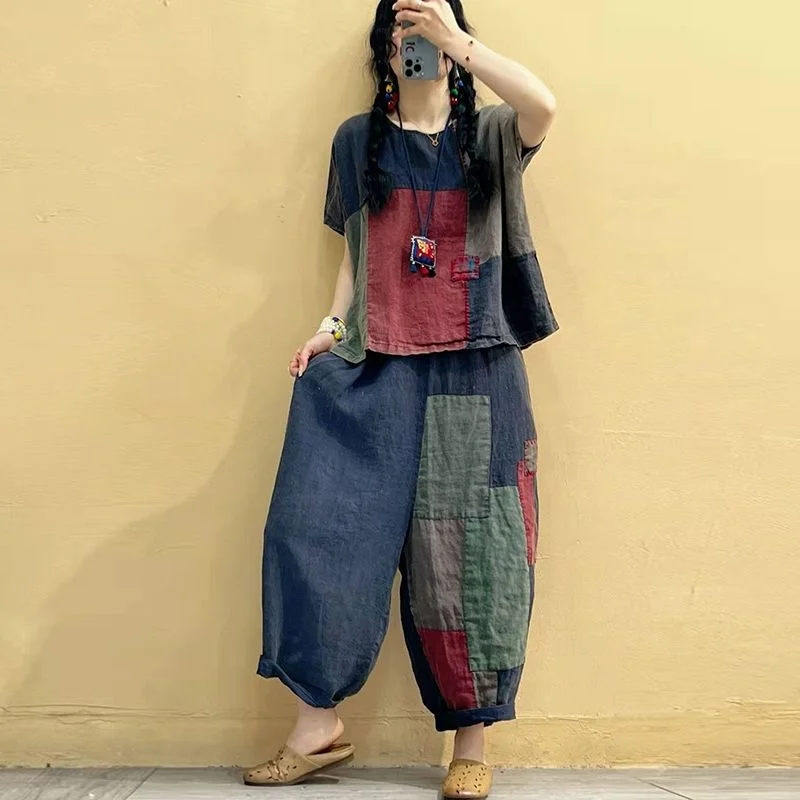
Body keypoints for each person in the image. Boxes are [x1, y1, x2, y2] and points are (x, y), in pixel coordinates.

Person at [244, 0, 557, 796]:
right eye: (404, 29)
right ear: (383, 47)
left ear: (456, 41)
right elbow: (358, 251)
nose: (416, 42)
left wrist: (459, 42)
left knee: (474, 553)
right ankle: (318, 728)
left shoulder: (491, 136)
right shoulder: (357, 141)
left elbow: (543, 105)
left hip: (476, 370)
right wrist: (329, 327)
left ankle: (471, 746)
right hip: (374, 362)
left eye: (432, 27)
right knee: (321, 530)